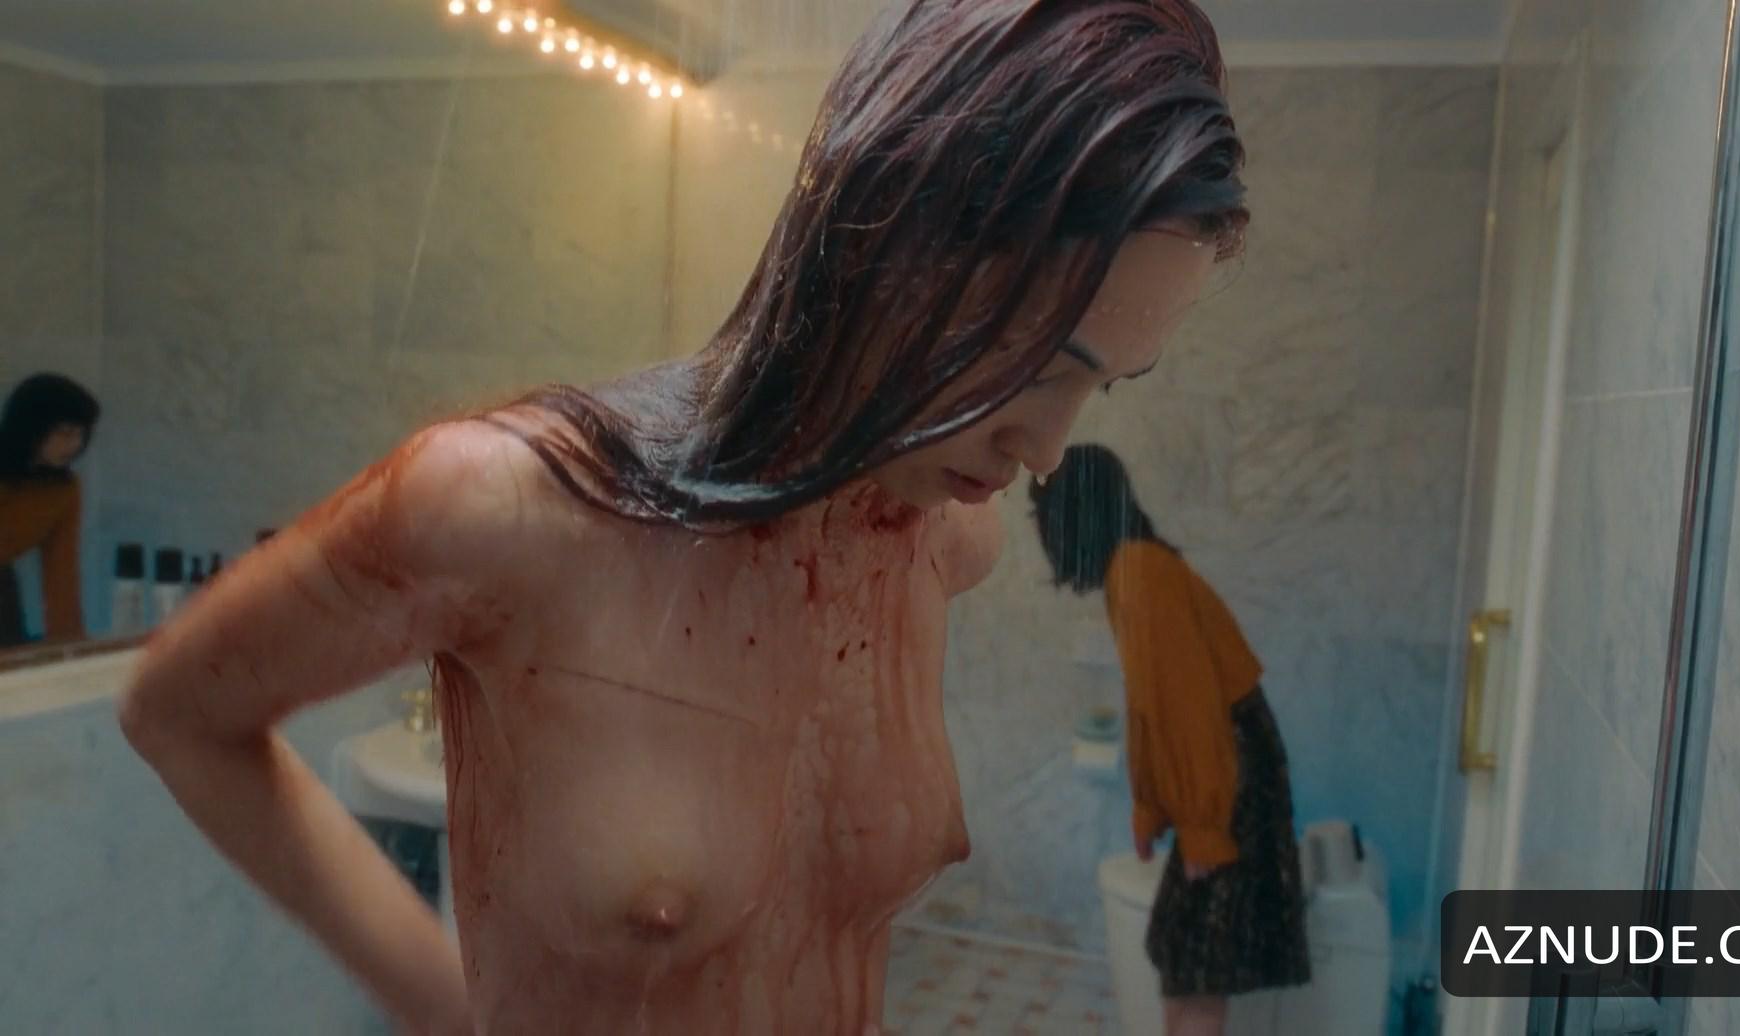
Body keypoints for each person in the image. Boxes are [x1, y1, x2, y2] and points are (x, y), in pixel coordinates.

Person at [118, 1, 1247, 1032]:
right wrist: (441, 1005)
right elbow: (177, 711)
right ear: (891, 242)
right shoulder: (508, 508)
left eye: (1104, 387)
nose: (1046, 452)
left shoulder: (943, 541)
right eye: (1040, 364)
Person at [1029, 443, 1309, 1036]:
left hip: (1229, 776)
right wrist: (1152, 806)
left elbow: (1187, 712)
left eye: (1044, 514)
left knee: (1199, 966)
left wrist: (1203, 827)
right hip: (1231, 765)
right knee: (1183, 958)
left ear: (1072, 516)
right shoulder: (1134, 569)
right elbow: (1153, 707)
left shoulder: (1140, 575)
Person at [0, 372, 99, 648]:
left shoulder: (64, 490)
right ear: (33, 427)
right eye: (64, 433)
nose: (74, 445)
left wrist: (70, 648)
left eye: (80, 434)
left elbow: (61, 576)